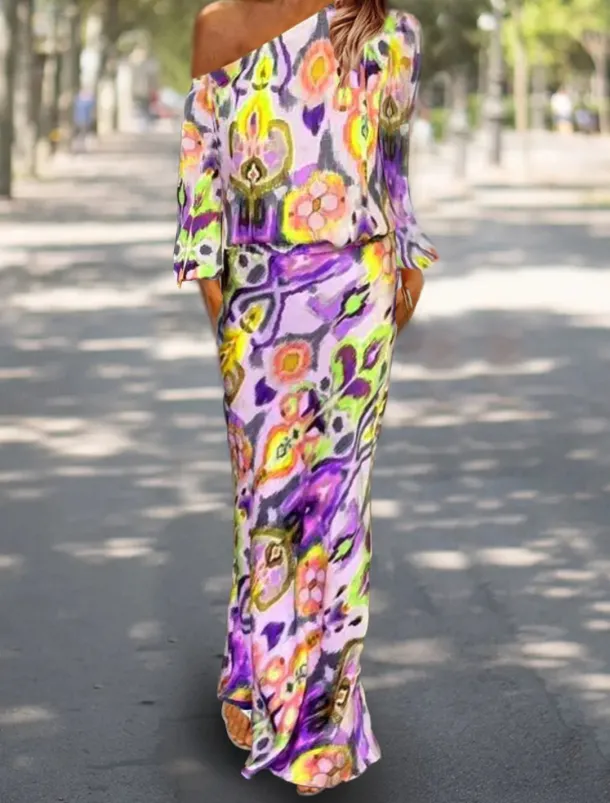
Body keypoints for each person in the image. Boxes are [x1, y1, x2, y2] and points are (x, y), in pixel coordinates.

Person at [172, 0, 438, 795]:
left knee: (339, 512)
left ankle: (320, 725)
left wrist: (407, 270)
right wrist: (226, 307)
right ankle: (255, 678)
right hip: (259, 303)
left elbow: (394, 174)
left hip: (361, 297)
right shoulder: (219, 27)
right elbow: (201, 181)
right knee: (266, 507)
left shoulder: (390, 30)